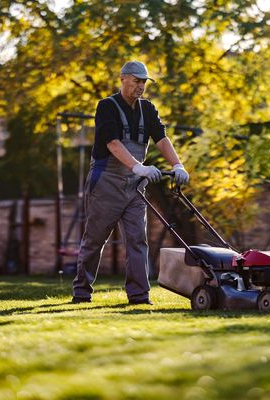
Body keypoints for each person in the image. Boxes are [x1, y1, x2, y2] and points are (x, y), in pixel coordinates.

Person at [72, 60, 189, 305]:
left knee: (137, 239)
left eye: (144, 82)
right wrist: (138, 166)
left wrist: (178, 165)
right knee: (95, 240)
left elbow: (161, 139)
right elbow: (113, 143)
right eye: (136, 80)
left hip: (135, 187)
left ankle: (139, 296)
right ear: (123, 78)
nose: (140, 86)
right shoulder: (107, 107)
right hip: (106, 183)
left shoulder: (148, 109)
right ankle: (82, 292)